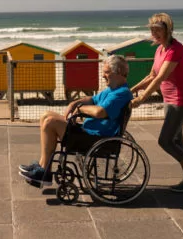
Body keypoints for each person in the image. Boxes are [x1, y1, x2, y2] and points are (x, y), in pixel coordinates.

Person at [19, 55, 133, 187]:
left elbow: (99, 112)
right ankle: (42, 166)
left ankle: (44, 171)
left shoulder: (121, 93)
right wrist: (75, 103)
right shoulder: (112, 90)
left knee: (50, 122)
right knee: (45, 115)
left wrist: (80, 109)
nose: (103, 76)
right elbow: (93, 99)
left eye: (106, 73)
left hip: (96, 139)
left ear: (118, 72)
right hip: (91, 133)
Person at [131, 12, 183, 194]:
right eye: (152, 30)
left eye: (158, 30)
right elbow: (151, 75)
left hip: (180, 101)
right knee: (177, 141)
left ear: (168, 30)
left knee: (165, 141)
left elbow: (160, 78)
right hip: (169, 100)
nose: (154, 34)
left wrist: (142, 99)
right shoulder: (159, 49)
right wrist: (131, 90)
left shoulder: (175, 49)